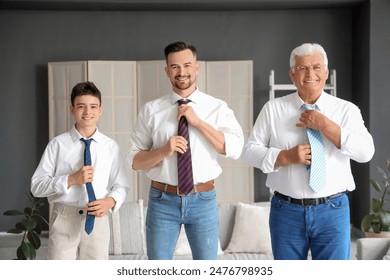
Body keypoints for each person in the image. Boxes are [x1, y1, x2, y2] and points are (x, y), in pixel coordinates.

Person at [244, 43, 375, 260]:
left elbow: (365, 153)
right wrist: (285, 157)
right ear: (292, 74)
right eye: (303, 68)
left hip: (333, 210)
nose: (310, 74)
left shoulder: (346, 110)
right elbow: (250, 152)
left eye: (316, 67)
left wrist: (327, 126)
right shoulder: (273, 109)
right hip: (286, 212)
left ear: (325, 72)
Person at [126, 41, 244, 260]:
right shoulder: (151, 110)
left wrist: (198, 122)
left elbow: (234, 148)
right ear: (167, 71)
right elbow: (134, 161)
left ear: (197, 68)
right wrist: (163, 151)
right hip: (162, 201)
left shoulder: (216, 108)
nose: (182, 72)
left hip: (203, 200)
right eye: (175, 66)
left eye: (187, 65)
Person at [31, 81, 130, 260]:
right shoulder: (57, 145)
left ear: (100, 110)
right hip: (63, 218)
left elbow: (122, 185)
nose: (87, 112)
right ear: (72, 109)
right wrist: (71, 179)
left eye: (93, 106)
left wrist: (110, 201)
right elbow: (36, 187)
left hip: (97, 219)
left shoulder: (110, 147)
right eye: (81, 106)